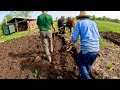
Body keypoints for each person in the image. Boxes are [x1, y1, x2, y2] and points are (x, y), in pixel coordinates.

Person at [70, 11, 100, 79]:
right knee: (88, 65)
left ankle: (86, 77)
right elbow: (98, 36)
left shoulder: (79, 23)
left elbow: (74, 38)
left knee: (80, 62)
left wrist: (71, 41)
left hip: (87, 49)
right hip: (96, 49)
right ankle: (83, 76)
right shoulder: (94, 23)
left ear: (80, 17)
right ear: (88, 17)